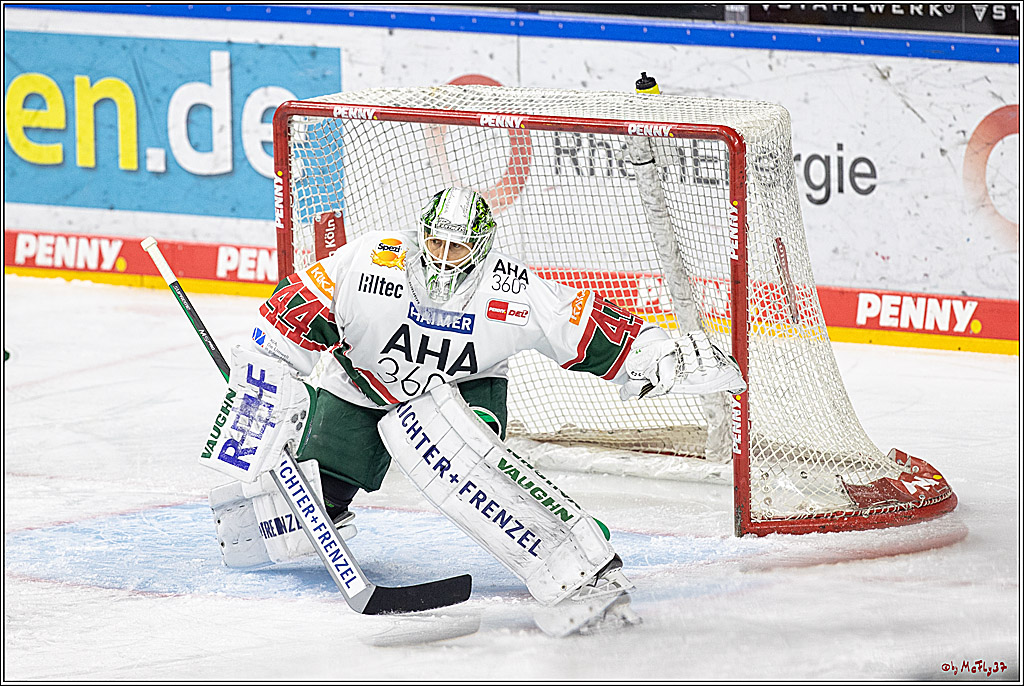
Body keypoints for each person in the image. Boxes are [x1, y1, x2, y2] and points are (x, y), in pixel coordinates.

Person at [207, 186, 744, 620]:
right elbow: (290, 314)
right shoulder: (370, 261)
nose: (443, 259)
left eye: (457, 248)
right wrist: (264, 388)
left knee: (461, 456)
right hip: (362, 383)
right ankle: (287, 513)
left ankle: (576, 560)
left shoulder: (511, 287)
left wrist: (654, 353)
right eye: (435, 244)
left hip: (463, 393)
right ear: (420, 237)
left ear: (481, 249)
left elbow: (584, 328)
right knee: (310, 497)